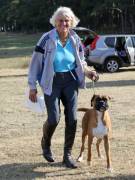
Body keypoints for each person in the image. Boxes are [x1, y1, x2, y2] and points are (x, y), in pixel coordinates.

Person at [28, 6, 99, 169]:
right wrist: (32, 86)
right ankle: (46, 143)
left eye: (67, 20)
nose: (64, 23)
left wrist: (89, 72)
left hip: (70, 81)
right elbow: (35, 64)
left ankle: (67, 155)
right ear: (55, 22)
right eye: (61, 20)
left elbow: (81, 61)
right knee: (54, 118)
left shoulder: (75, 39)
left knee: (72, 118)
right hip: (51, 81)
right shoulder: (46, 39)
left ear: (71, 22)